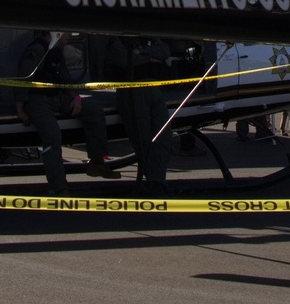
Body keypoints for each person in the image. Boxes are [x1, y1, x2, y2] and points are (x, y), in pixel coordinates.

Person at [16, 31, 113, 190]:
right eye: (66, 33)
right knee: (53, 137)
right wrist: (20, 109)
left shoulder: (56, 52)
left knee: (94, 110)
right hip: (37, 100)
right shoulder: (38, 50)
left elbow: (66, 79)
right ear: (56, 34)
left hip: (56, 97)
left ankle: (97, 162)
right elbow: (23, 79)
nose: (68, 37)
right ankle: (58, 187)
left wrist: (77, 98)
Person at [103, 36, 175, 187]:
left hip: (155, 89)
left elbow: (164, 51)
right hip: (133, 91)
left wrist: (141, 53)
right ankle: (154, 183)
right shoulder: (118, 38)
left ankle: (157, 180)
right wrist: (149, 59)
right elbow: (124, 60)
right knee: (143, 140)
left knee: (164, 137)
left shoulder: (147, 36)